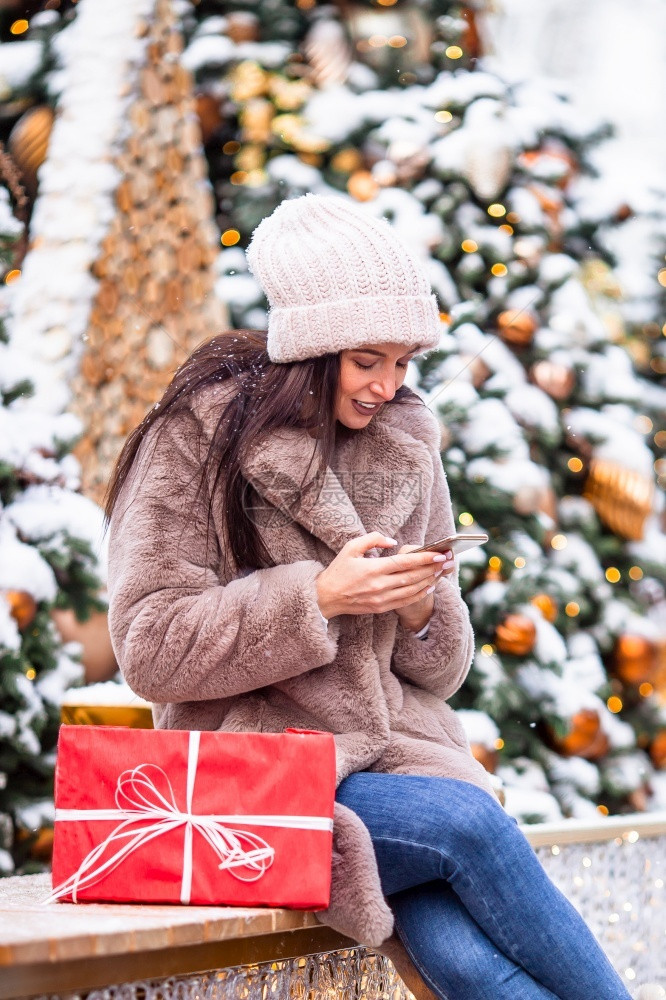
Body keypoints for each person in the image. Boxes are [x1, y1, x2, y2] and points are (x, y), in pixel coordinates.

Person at [104, 193, 632, 1000]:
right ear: (316, 349)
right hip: (255, 775)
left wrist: (420, 608)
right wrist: (315, 598)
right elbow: (148, 647)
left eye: (404, 362)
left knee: (462, 963)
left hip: (392, 758)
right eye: (367, 361)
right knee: (469, 825)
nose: (389, 386)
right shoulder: (196, 437)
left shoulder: (407, 441)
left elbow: (443, 671)